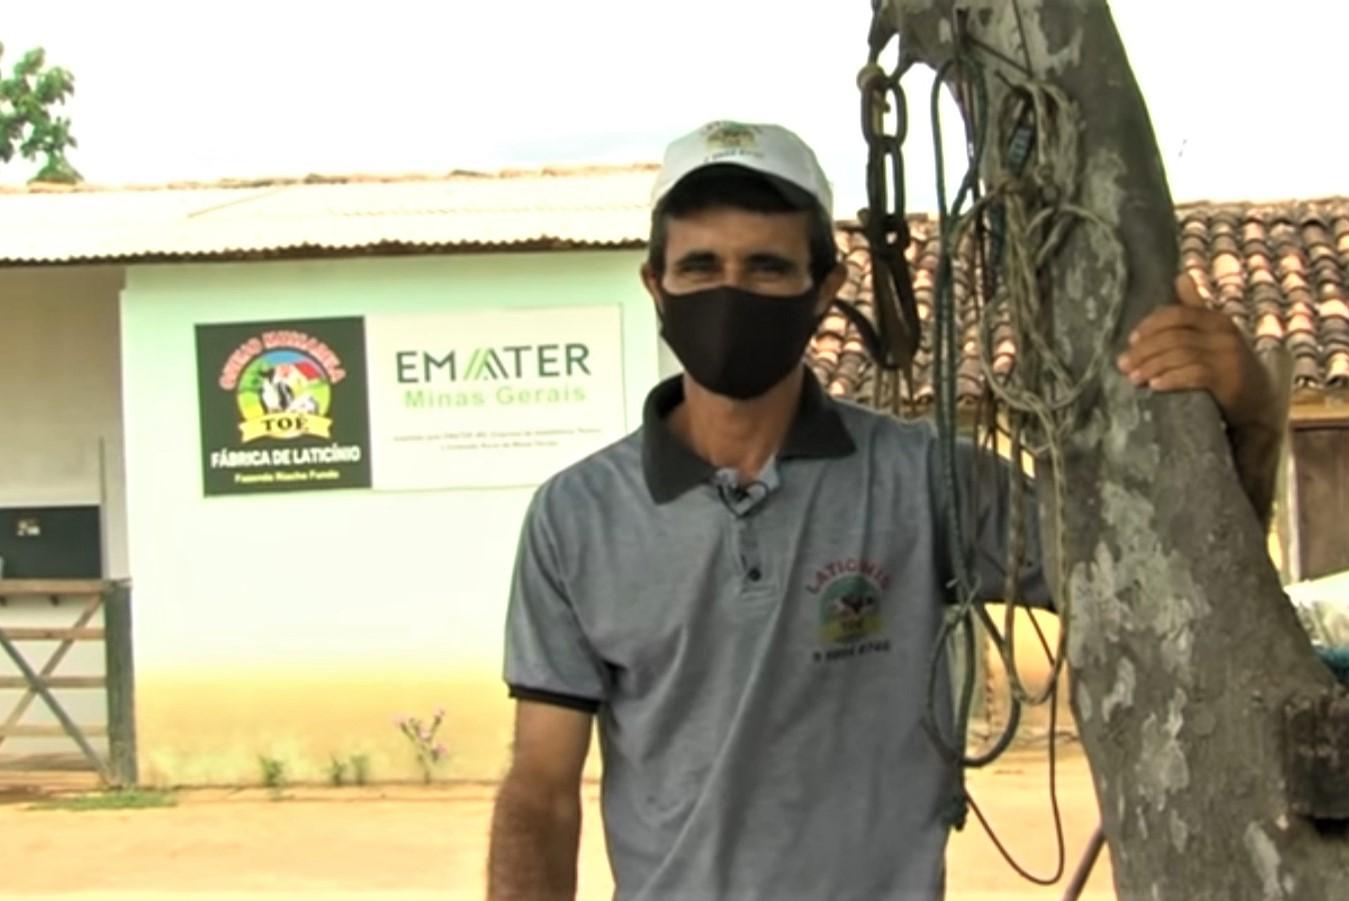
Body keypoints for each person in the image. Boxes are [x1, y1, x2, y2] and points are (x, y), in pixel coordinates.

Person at [486, 121, 1282, 900]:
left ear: (824, 290)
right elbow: (541, 789)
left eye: (766, 268)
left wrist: (1251, 416)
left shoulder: (928, 480)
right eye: (700, 267)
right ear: (655, 285)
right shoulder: (577, 518)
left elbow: (1176, 592)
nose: (730, 291)